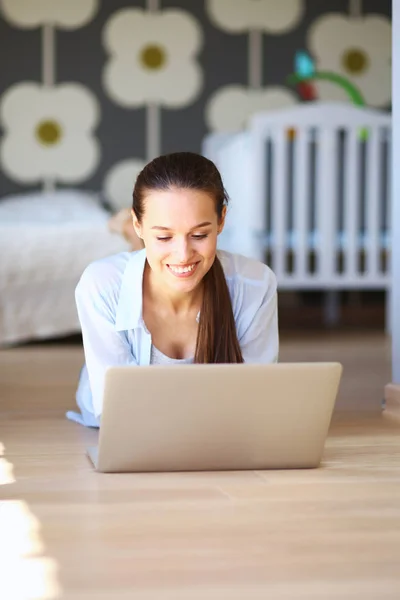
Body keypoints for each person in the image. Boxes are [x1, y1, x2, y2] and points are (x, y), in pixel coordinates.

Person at [66, 152, 279, 427]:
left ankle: (142, 244)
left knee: (170, 264)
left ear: (222, 220)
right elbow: (117, 410)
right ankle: (134, 242)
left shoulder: (256, 284)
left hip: (203, 429)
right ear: (139, 223)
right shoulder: (101, 284)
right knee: (162, 265)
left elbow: (257, 399)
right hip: (140, 425)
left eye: (200, 235)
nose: (183, 253)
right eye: (164, 236)